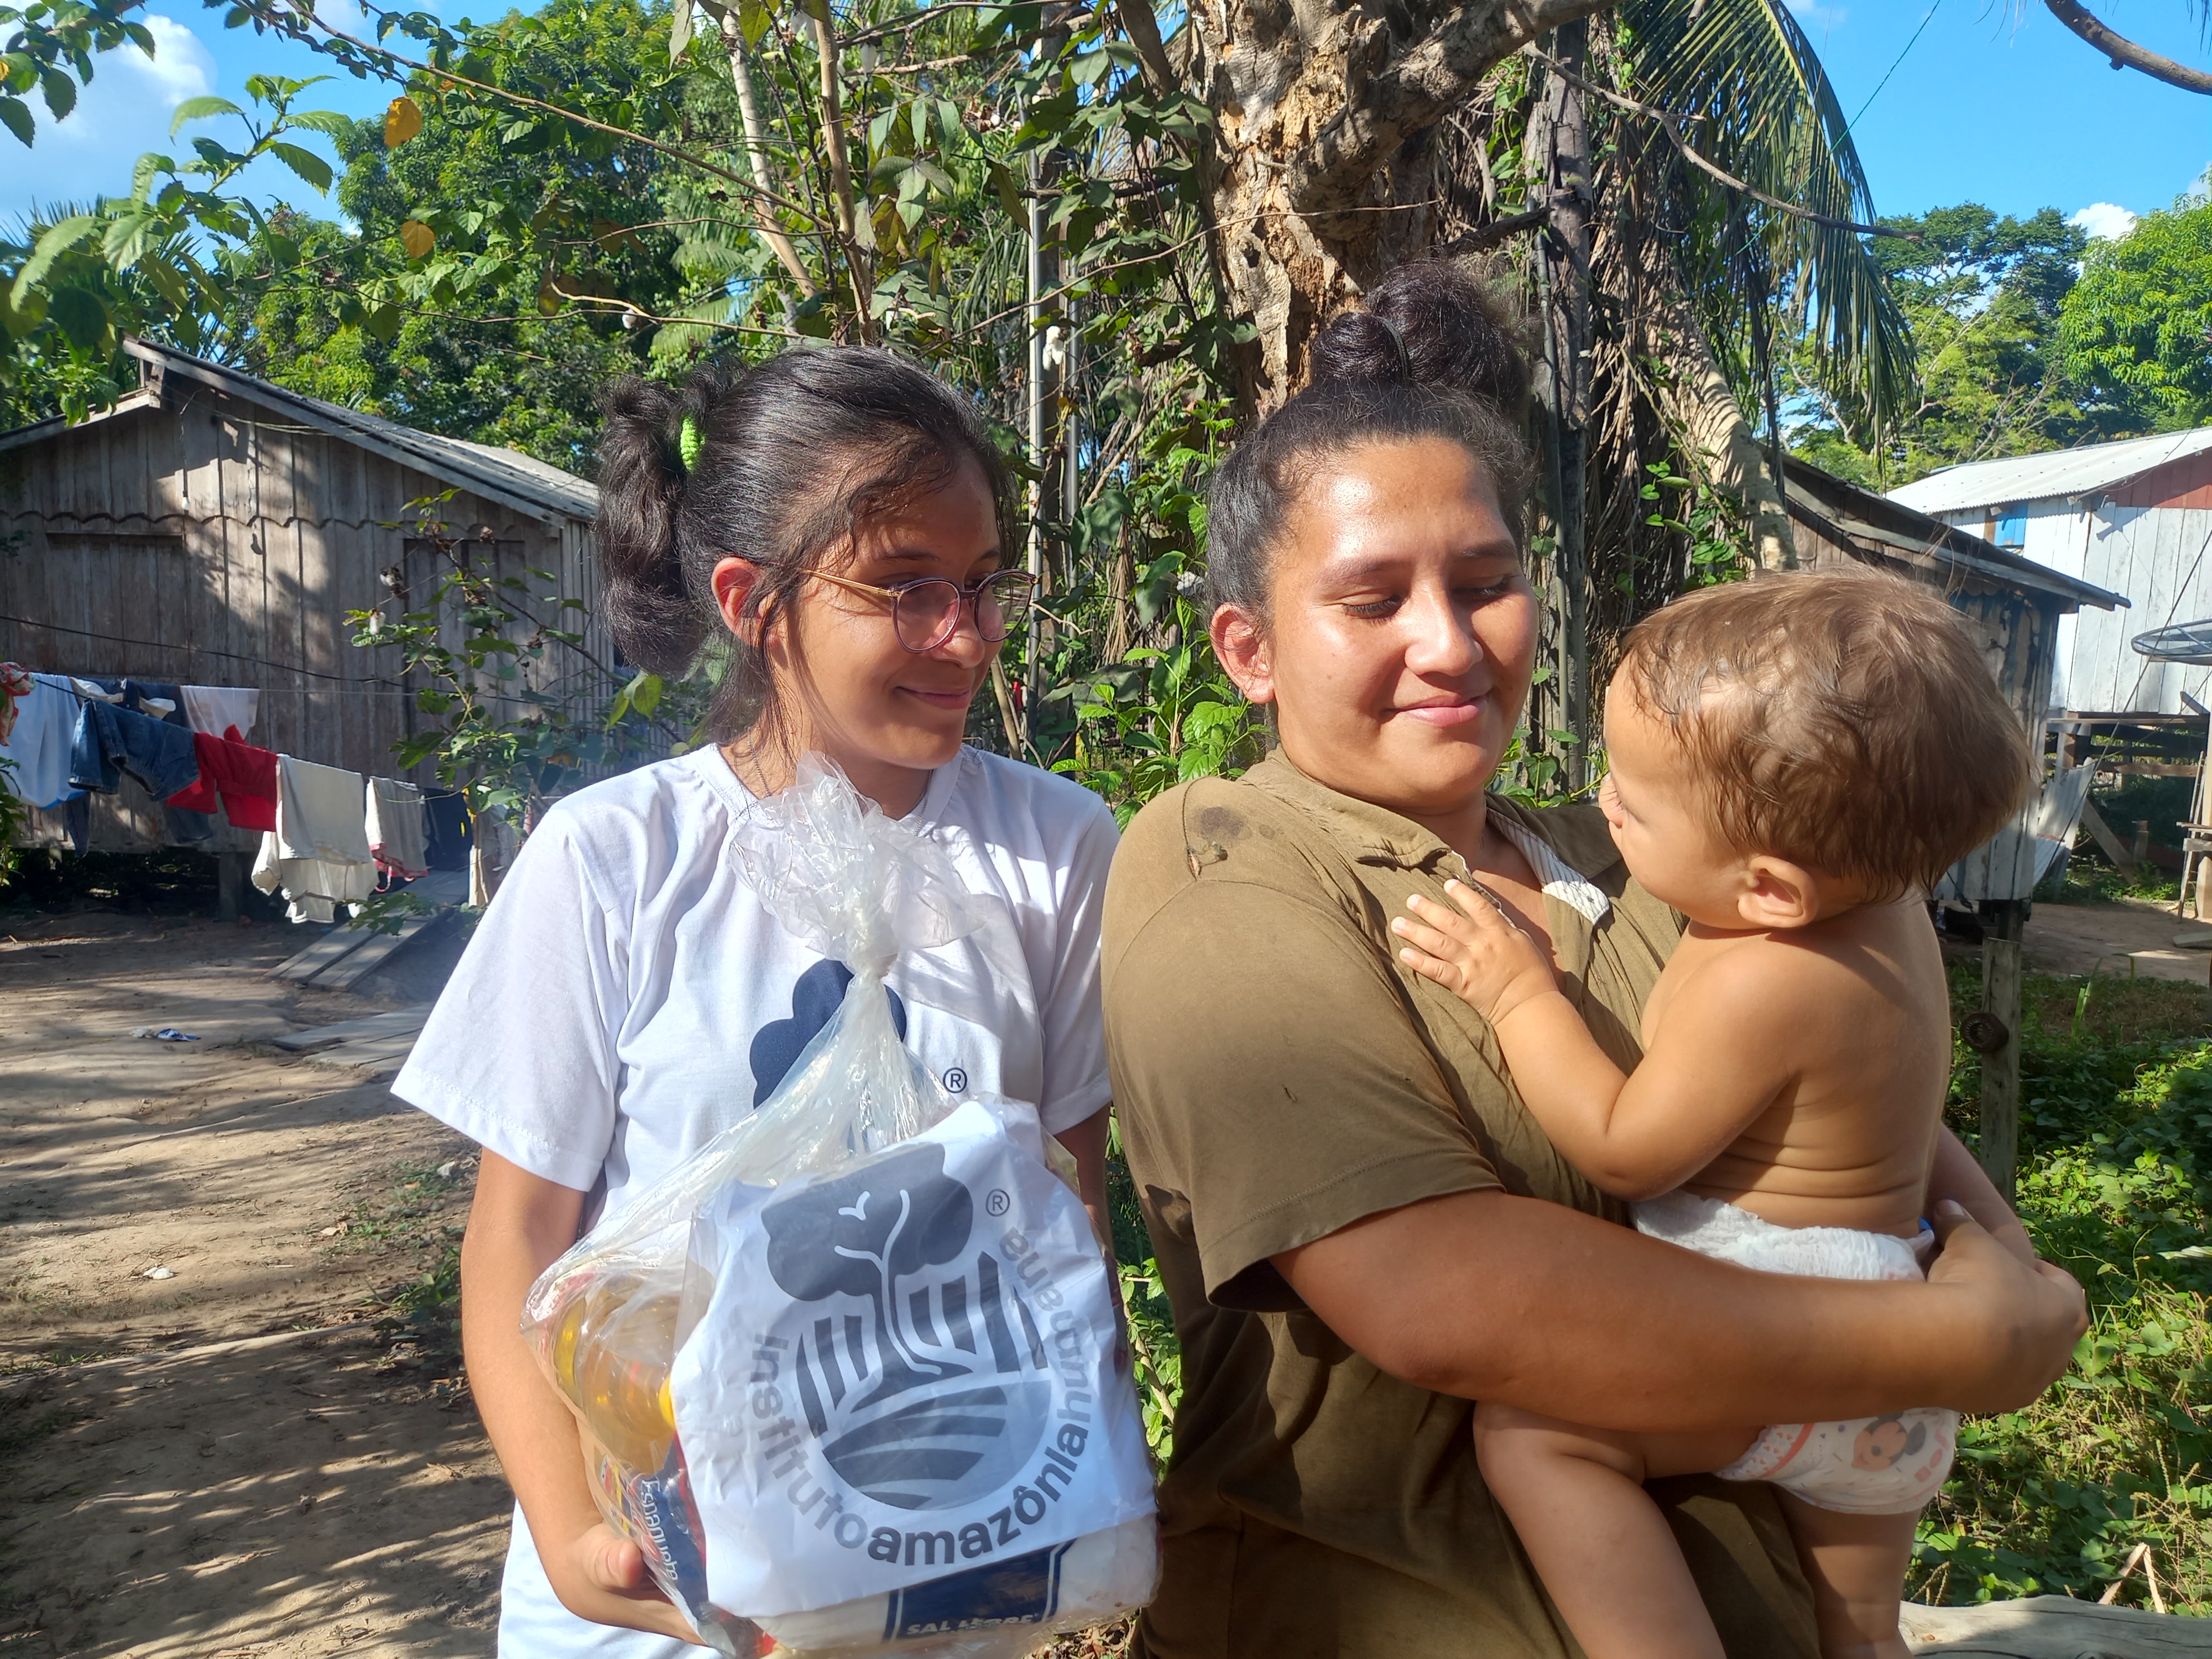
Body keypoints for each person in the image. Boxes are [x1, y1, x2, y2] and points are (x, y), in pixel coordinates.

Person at [1099, 261, 2089, 1659]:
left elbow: (1855, 1106)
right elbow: (1439, 1297)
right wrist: (1956, 1345)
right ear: (1248, 651)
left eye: (1485, 584)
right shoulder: (1224, 859)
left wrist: (2005, 1263)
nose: (1448, 644)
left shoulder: (1645, 848)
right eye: (1370, 601)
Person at [392, 348, 1122, 1656]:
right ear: (750, 602)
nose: (965, 635)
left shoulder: (1056, 851)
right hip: (661, 1603)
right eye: (904, 586)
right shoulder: (614, 859)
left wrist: (1075, 1498)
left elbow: (1067, 1215)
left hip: (943, 1577)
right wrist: (572, 1543)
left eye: (981, 583)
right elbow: (516, 1240)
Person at [1392, 570, 2039, 1659]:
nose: (1603, 804)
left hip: (1778, 1320)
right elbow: (1909, 1119)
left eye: (1635, 805)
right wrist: (2002, 1239)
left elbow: (1626, 1150)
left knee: (1537, 1438)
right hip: (1899, 1344)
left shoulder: (1762, 977)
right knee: (1860, 1634)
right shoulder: (1892, 921)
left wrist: (1518, 995)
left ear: (1771, 889)